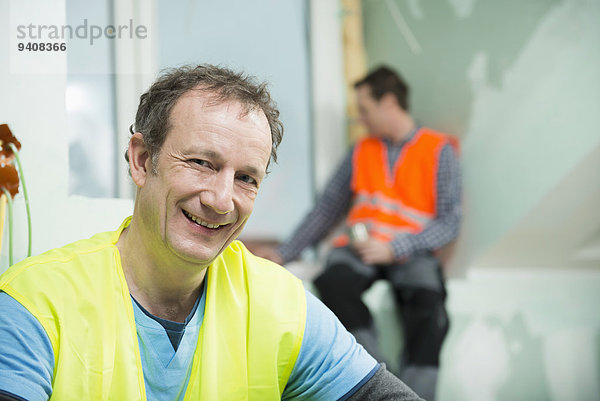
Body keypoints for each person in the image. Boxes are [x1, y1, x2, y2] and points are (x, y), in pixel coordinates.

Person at [0, 65, 423, 401]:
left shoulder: (281, 305)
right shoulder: (34, 304)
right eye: (202, 163)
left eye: (246, 178)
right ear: (143, 161)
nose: (222, 201)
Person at [256, 66, 461, 401]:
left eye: (364, 110)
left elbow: (450, 221)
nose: (360, 119)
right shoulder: (361, 150)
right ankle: (380, 384)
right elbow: (326, 210)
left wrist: (396, 248)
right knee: (333, 282)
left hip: (410, 253)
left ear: (390, 103)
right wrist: (283, 253)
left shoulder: (440, 150)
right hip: (359, 250)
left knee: (429, 309)